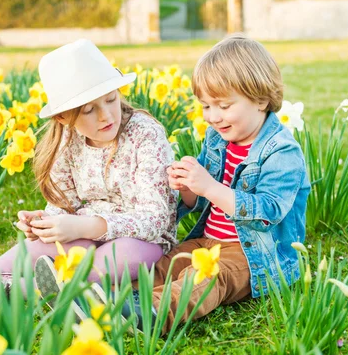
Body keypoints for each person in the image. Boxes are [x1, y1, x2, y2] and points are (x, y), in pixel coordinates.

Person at [0, 39, 178, 303]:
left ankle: (28, 289)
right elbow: (66, 208)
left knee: (117, 257)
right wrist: (46, 222)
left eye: (111, 99)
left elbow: (155, 219)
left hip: (142, 240)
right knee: (61, 246)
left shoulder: (144, 134)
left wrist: (85, 225)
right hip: (84, 232)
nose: (106, 115)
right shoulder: (67, 141)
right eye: (89, 110)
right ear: (63, 117)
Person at [124, 34, 310, 333]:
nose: (212, 117)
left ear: (261, 100)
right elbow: (198, 202)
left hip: (252, 254)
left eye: (223, 105)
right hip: (207, 240)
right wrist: (187, 185)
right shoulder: (217, 140)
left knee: (208, 277)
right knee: (167, 264)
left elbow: (267, 213)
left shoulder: (281, 151)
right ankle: (105, 300)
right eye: (206, 106)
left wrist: (209, 186)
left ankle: (151, 311)